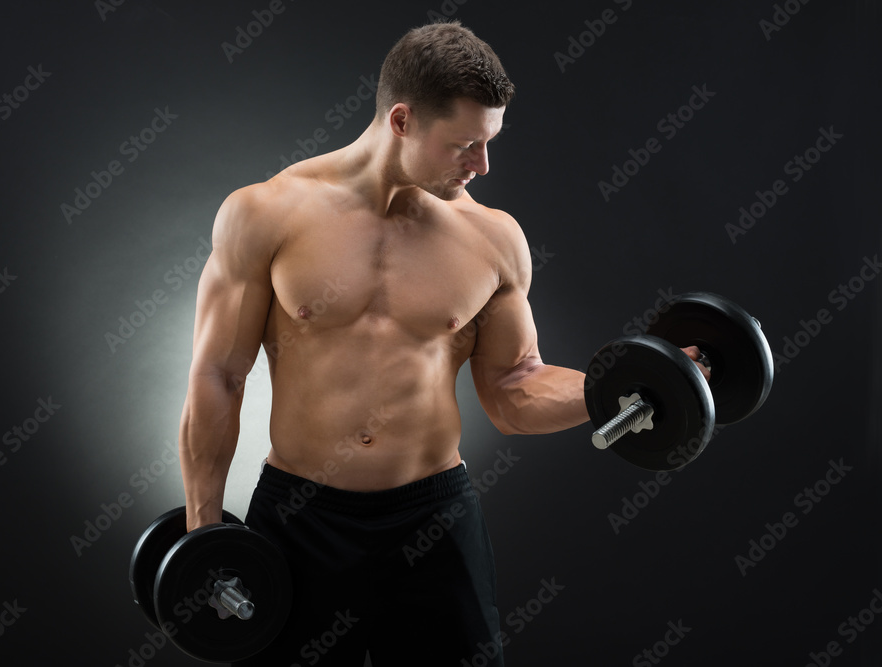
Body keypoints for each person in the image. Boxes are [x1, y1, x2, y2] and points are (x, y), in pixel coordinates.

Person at [178, 21, 708, 665]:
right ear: (401, 119)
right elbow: (219, 375)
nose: (482, 165)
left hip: (432, 520)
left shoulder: (492, 238)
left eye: (489, 143)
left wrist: (634, 379)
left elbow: (515, 388)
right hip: (300, 519)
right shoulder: (266, 214)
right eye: (465, 144)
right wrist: (203, 534)